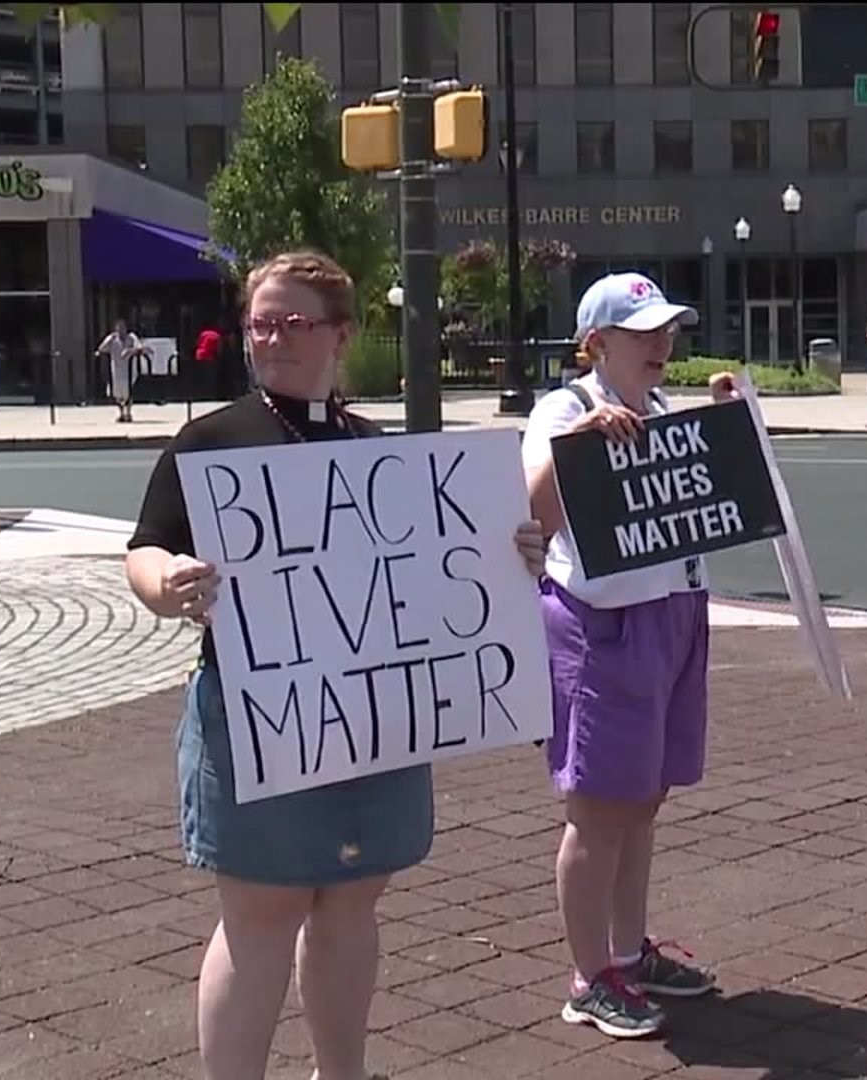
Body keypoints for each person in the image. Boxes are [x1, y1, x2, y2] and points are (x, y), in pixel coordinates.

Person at [124, 249, 549, 1080]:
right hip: (262, 716)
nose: (272, 338)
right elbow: (145, 551)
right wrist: (167, 584)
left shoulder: (373, 450)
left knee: (353, 903)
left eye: (293, 322)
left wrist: (511, 555)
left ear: (341, 334)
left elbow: (433, 573)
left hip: (372, 717)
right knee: (262, 915)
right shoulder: (210, 441)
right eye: (260, 322)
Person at [520, 272, 740, 1040]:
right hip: (602, 624)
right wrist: (577, 445)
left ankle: (627, 953)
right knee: (597, 808)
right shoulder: (564, 410)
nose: (661, 344)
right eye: (643, 331)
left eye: (666, 330)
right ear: (596, 343)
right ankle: (591, 976)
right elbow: (534, 519)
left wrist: (726, 425)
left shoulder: (662, 411)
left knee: (643, 800)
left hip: (672, 616)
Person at [97, 319, 144, 423]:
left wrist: (130, 351)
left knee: (128, 393)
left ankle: (128, 413)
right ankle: (121, 413)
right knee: (117, 394)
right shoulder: (112, 339)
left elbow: (139, 347)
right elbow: (101, 349)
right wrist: (109, 340)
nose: (121, 330)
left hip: (129, 370)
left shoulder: (131, 337)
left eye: (123, 327)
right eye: (119, 328)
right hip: (116, 371)